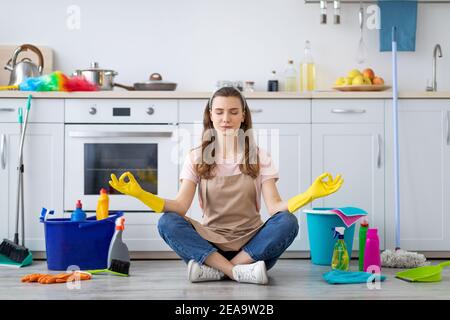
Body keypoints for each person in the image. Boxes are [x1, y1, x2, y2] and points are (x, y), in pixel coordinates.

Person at [109, 86, 343, 285]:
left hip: (253, 245)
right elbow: (180, 207)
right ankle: (236, 272)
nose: (226, 119)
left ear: (243, 116)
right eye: (219, 112)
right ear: (210, 115)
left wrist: (310, 194)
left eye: (233, 112)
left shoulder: (260, 157)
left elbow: (274, 208)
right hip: (209, 241)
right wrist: (141, 194)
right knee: (168, 221)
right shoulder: (196, 157)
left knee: (288, 222)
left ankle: (217, 270)